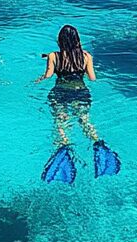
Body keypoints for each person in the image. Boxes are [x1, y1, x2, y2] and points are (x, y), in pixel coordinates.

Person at [35, 24, 120, 184]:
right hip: (81, 92)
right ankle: (98, 143)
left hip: (60, 93)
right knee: (85, 120)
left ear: (60, 40)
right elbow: (92, 78)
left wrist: (35, 82)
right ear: (77, 40)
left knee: (60, 122)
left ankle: (65, 145)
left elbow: (47, 76)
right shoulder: (86, 56)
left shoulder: (54, 56)